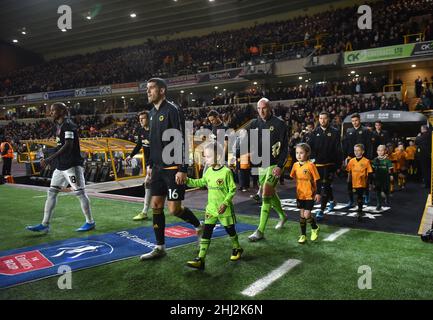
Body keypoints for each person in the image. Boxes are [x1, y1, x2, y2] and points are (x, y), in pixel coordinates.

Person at [140, 78, 203, 260]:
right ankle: (160, 247)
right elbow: (152, 144)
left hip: (173, 167)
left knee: (174, 209)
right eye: (147, 89)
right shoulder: (151, 113)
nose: (148, 91)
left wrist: (183, 168)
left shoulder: (173, 110)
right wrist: (150, 166)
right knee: (156, 205)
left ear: (162, 91)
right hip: (158, 169)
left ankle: (199, 226)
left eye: (151, 88)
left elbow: (182, 139)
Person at [26, 102, 95, 233]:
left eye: (53, 110)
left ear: (62, 111)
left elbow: (68, 145)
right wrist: (48, 155)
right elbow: (60, 145)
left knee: (80, 193)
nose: (50, 113)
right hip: (61, 166)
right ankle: (45, 224)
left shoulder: (69, 125)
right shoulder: (58, 126)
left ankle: (90, 222)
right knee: (51, 192)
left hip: (72, 166)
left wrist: (49, 159)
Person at [185, 142, 242, 270]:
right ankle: (201, 259)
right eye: (205, 156)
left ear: (219, 156)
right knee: (207, 231)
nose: (206, 159)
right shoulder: (209, 171)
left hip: (224, 209)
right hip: (211, 208)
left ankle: (237, 248)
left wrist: (225, 203)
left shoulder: (226, 172)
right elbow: (200, 182)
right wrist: (187, 180)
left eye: (209, 156)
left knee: (230, 230)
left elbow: (232, 189)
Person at [247, 98, 289, 242]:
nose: (261, 111)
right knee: (270, 193)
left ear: (269, 108)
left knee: (265, 193)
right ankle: (283, 216)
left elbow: (285, 148)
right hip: (261, 164)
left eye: (264, 108)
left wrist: (280, 166)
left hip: (274, 164)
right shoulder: (254, 123)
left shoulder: (280, 124)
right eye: (259, 109)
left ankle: (260, 231)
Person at [309, 111, 342, 220]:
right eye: (321, 118)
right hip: (317, 165)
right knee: (322, 186)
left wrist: (338, 165)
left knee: (325, 186)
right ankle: (332, 201)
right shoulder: (314, 132)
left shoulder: (335, 132)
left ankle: (321, 210)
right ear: (319, 120)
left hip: (329, 164)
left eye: (325, 118)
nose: (322, 120)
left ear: (328, 119)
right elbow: (310, 148)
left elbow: (338, 150)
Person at [290, 143, 321, 244]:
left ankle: (315, 227)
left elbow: (318, 180)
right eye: (297, 153)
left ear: (307, 153)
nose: (298, 155)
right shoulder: (295, 165)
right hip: (300, 194)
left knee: (307, 214)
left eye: (301, 153)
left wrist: (318, 193)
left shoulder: (311, 165)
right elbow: (293, 176)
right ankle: (303, 235)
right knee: (302, 215)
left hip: (309, 194)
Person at [343, 113, 373, 208]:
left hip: (363, 159)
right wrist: (345, 156)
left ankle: (366, 195)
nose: (354, 122)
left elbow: (369, 145)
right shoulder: (349, 131)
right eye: (352, 121)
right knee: (349, 181)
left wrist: (369, 158)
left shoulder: (365, 130)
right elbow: (346, 145)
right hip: (351, 159)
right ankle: (351, 200)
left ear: (359, 120)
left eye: (356, 120)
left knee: (364, 180)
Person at [126, 111, 151, 221]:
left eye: (143, 118)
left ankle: (145, 211)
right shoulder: (141, 131)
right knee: (149, 184)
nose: (141, 120)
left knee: (148, 183)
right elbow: (139, 145)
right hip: (149, 163)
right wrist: (131, 155)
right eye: (140, 119)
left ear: (149, 119)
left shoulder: (154, 130)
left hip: (157, 163)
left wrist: (151, 165)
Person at [346, 144, 373, 221]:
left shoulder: (366, 161)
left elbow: (370, 173)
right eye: (355, 150)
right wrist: (348, 181)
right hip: (353, 182)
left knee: (359, 197)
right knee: (352, 193)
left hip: (362, 183)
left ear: (363, 151)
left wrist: (370, 183)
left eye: (358, 150)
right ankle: (352, 201)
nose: (356, 152)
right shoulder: (351, 161)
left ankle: (360, 211)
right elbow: (349, 172)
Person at [371, 145, 393, 211]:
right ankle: (379, 204)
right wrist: (372, 176)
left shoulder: (387, 160)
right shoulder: (375, 160)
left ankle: (387, 196)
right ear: (377, 151)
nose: (380, 152)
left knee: (386, 190)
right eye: (379, 150)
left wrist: (391, 175)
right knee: (378, 191)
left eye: (382, 150)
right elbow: (373, 169)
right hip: (378, 178)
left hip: (385, 178)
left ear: (385, 151)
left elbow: (390, 169)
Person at [415, 125, 432, 189]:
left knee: (425, 170)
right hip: (428, 155)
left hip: (424, 156)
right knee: (428, 170)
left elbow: (416, 141)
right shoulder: (430, 135)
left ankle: (427, 184)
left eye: (421, 129)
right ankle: (428, 183)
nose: (420, 130)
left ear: (424, 129)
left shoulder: (423, 136)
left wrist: (418, 136)